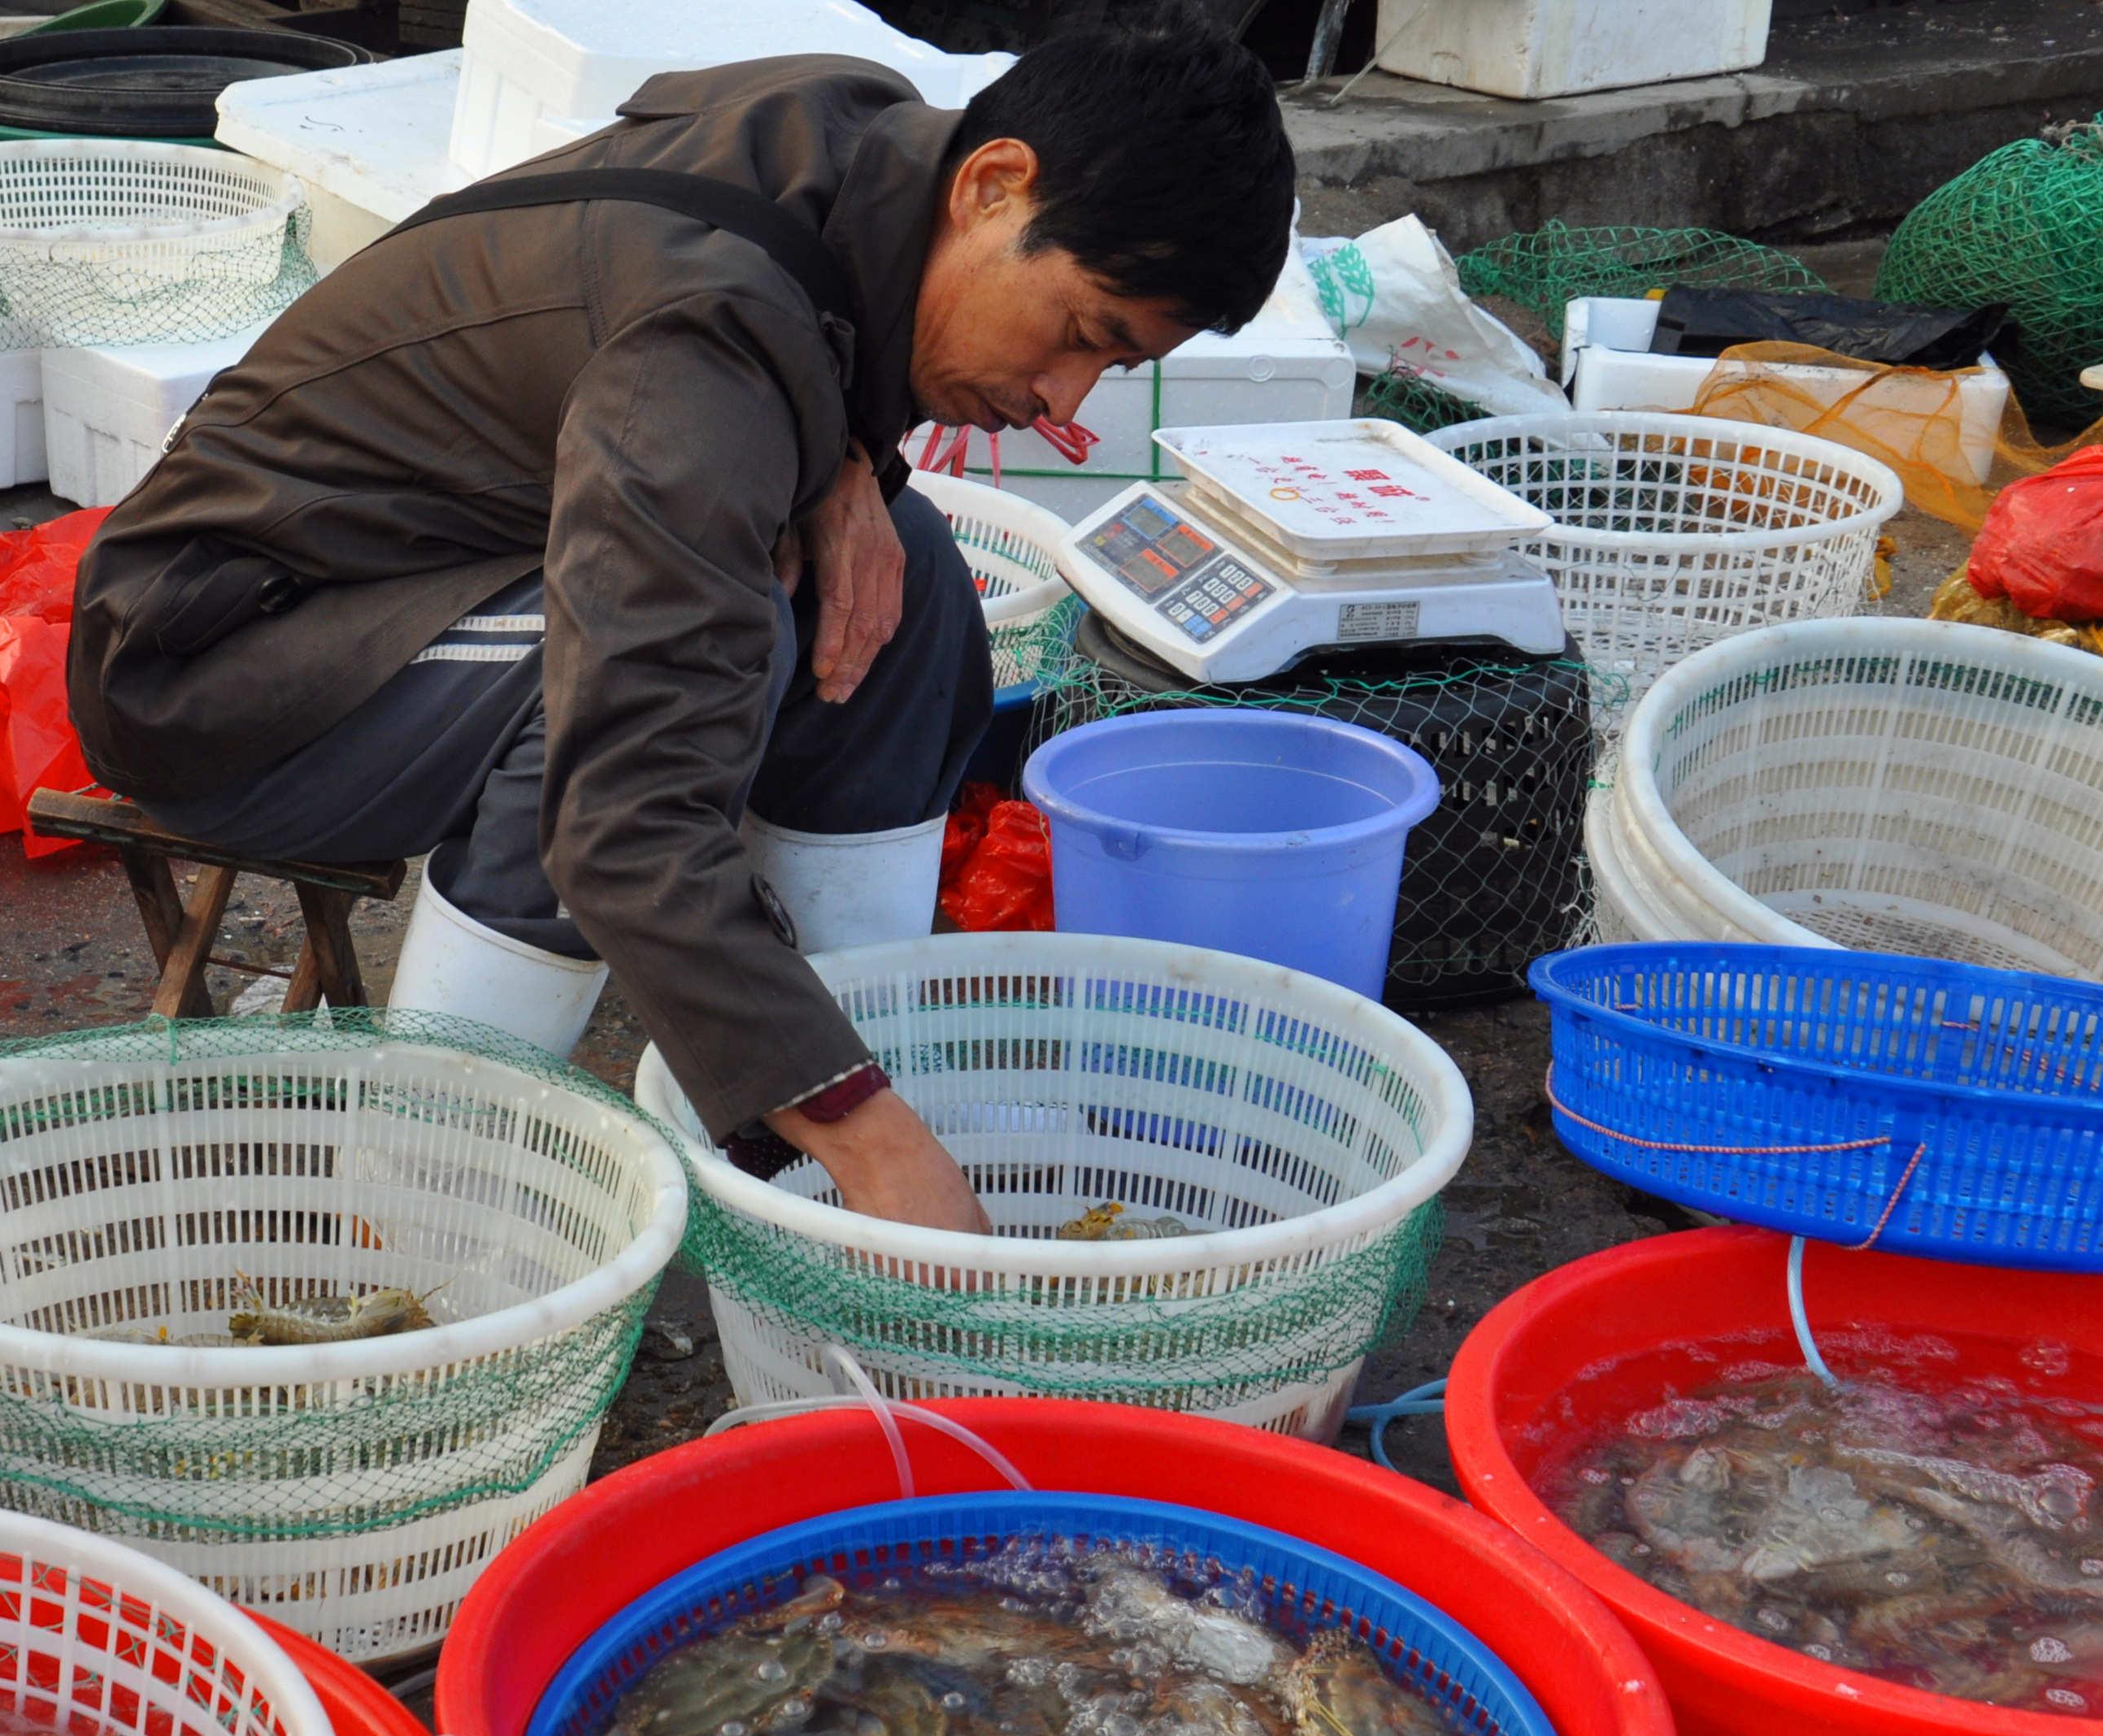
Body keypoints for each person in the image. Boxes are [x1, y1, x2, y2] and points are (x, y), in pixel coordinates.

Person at [67, 17, 1295, 1231]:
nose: (1061, 399)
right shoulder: (704, 349)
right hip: (217, 664)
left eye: (1115, 369)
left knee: (904, 572)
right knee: (632, 685)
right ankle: (421, 1204)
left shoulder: (857, 133)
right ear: (992, 185)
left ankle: (855, 1063)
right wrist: (870, 1143)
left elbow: (773, 326)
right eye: (1083, 333)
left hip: (434, 567)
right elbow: (627, 821)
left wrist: (846, 458)